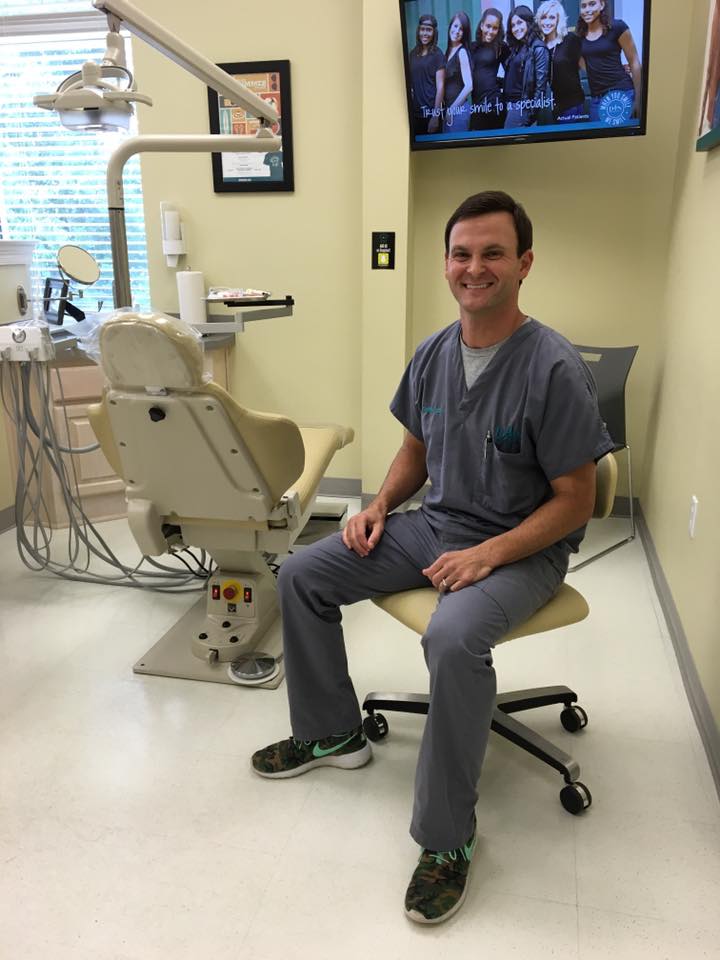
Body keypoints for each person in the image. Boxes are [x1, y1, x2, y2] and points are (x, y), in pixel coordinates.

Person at [252, 190, 613, 925]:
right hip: (435, 525)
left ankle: (447, 839)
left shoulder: (553, 367)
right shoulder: (433, 354)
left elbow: (576, 498)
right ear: (446, 264)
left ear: (524, 264)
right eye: (461, 254)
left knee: (451, 637)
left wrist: (491, 554)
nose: (473, 268)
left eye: (492, 253)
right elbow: (416, 449)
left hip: (523, 548)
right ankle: (332, 730)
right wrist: (382, 504)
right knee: (302, 573)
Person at [576, 0, 642, 123]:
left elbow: (634, 62)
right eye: (583, 6)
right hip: (596, 100)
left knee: (621, 141)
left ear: (602, 5)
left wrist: (639, 99)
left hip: (622, 93)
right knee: (597, 141)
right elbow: (585, 65)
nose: (587, 9)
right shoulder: (580, 36)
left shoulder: (617, 27)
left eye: (592, 4)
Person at [536, 0, 587, 123]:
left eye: (552, 17)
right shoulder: (540, 45)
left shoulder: (570, 39)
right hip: (556, 105)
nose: (547, 22)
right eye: (543, 18)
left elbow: (587, 65)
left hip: (573, 105)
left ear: (558, 20)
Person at [503, 5, 550, 128]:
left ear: (528, 22)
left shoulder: (538, 47)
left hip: (521, 109)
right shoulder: (516, 48)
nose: (516, 28)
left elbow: (540, 89)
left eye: (519, 23)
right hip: (509, 106)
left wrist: (528, 116)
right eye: (513, 25)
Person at [469, 8, 508, 131]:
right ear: (481, 25)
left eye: (495, 28)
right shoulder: (472, 47)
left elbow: (513, 72)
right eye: (488, 26)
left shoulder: (501, 47)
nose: (490, 31)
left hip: (494, 104)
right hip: (477, 105)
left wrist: (498, 82)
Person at [408, 14, 446, 136]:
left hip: (430, 114)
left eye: (429, 30)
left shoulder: (437, 54)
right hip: (415, 114)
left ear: (434, 32)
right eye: (422, 29)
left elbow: (441, 87)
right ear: (418, 31)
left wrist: (435, 116)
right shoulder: (413, 54)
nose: (425, 33)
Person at [442, 11, 473, 132]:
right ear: (450, 26)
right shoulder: (449, 51)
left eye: (461, 29)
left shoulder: (462, 52)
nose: (457, 31)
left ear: (464, 34)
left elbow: (469, 86)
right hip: (449, 110)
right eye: (455, 26)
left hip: (458, 111)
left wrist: (452, 109)